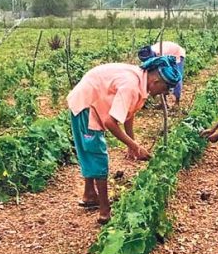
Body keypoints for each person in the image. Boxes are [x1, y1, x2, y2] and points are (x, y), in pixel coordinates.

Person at [67, 56, 182, 224]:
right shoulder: (131, 86)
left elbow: (128, 112)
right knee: (97, 153)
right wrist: (135, 146)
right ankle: (104, 211)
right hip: (86, 104)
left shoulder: (141, 82)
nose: (165, 93)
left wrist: (131, 143)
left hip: (93, 99)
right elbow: (110, 122)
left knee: (91, 151)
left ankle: (89, 194)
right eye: (167, 88)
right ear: (156, 80)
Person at [138, 41, 186, 107]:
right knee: (161, 80)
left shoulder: (159, 54)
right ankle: (164, 103)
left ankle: (177, 103)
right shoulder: (148, 53)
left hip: (177, 54)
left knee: (176, 77)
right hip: (167, 53)